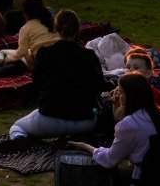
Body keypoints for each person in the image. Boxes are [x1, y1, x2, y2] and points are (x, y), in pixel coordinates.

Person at [69, 73, 160, 186]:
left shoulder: (130, 124)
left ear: (130, 96)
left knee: (104, 172)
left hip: (147, 184)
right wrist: (117, 106)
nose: (118, 95)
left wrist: (85, 147)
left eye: (121, 92)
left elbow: (109, 160)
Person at [9, 9, 105, 137]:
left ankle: (21, 142)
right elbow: (99, 86)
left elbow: (37, 84)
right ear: (77, 30)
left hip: (49, 119)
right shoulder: (89, 55)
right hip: (85, 121)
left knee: (17, 127)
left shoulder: (44, 53)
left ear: (56, 28)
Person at [14, 0, 56, 67]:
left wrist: (8, 55)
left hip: (44, 62)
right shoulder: (53, 22)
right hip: (62, 55)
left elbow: (21, 52)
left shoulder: (26, 28)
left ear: (25, 13)